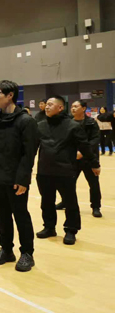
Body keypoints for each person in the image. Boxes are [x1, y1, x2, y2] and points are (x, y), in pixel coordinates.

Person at [0, 80, 38, 272]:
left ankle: (27, 253)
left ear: (10, 95)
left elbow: (28, 154)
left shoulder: (25, 121)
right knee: (2, 216)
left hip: (15, 180)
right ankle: (6, 249)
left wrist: (23, 180)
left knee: (21, 216)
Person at [36, 96, 100, 246]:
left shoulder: (72, 126)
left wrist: (94, 164)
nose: (46, 107)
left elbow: (85, 146)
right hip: (44, 171)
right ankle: (49, 227)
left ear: (60, 107)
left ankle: (71, 230)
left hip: (65, 170)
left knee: (70, 202)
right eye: (46, 104)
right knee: (46, 201)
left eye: (50, 104)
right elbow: (31, 148)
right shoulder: (40, 125)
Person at [55, 100, 103, 218]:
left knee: (93, 184)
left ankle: (96, 207)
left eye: (76, 106)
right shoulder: (68, 122)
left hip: (89, 158)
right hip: (72, 159)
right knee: (68, 183)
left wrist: (83, 152)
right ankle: (65, 201)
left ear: (84, 108)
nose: (73, 108)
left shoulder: (91, 122)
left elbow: (94, 140)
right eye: (72, 106)